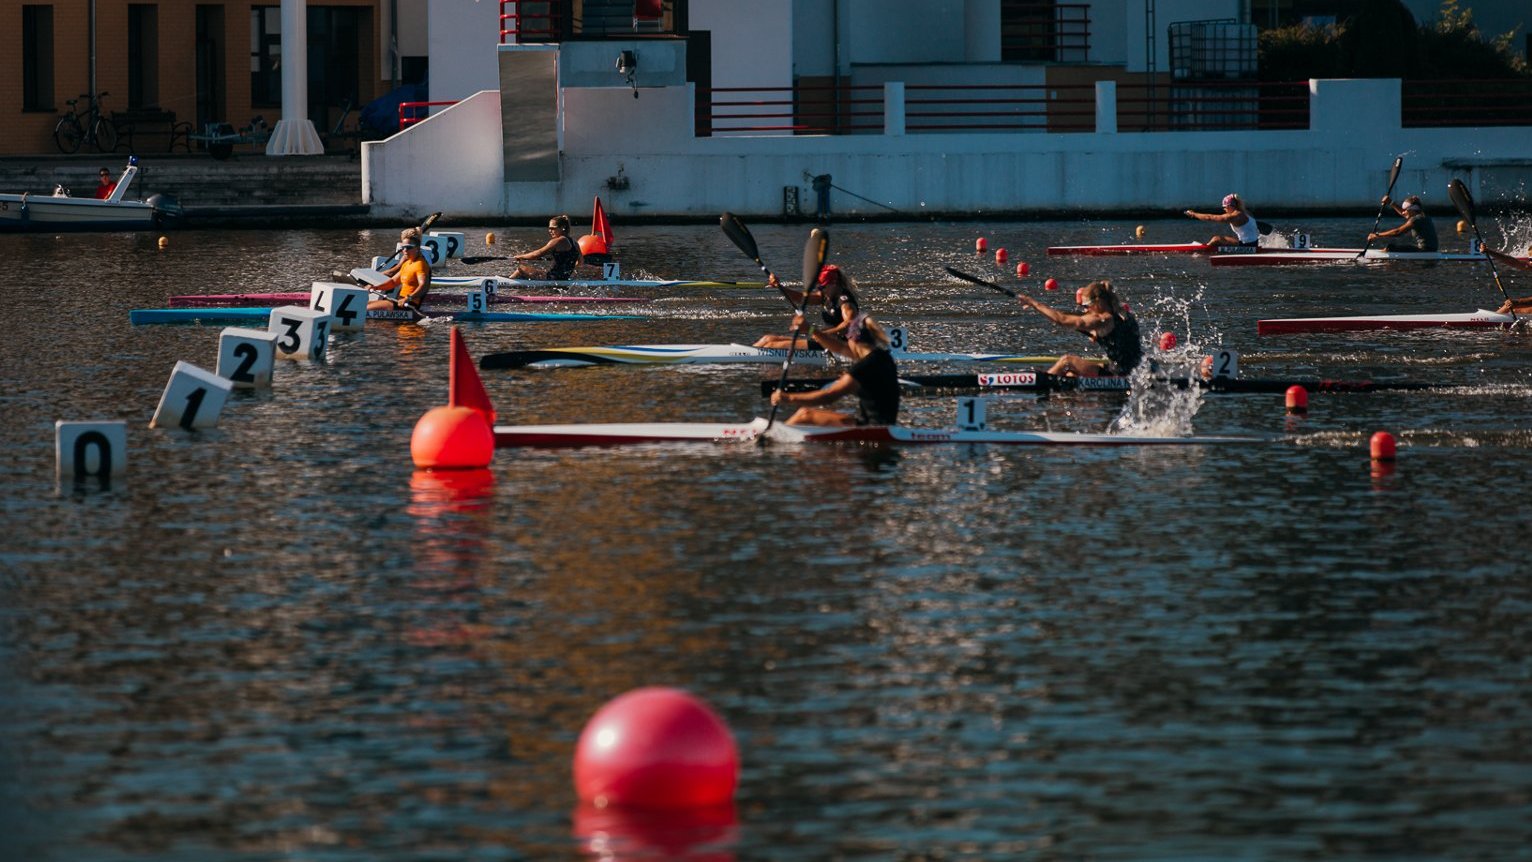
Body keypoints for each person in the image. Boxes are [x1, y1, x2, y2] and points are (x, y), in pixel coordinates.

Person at [769, 313, 900, 426]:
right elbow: (839, 348)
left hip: (873, 428)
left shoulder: (864, 367)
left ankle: (774, 435)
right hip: (880, 423)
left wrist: (788, 398)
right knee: (808, 414)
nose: (847, 344)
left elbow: (828, 396)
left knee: (805, 414)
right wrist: (811, 330)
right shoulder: (883, 356)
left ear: (853, 339)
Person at [1016, 279, 1143, 377]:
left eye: (1086, 306)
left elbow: (1062, 320)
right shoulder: (1122, 314)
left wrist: (1033, 303)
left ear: (1097, 303)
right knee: (1071, 374)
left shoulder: (1103, 319)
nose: (1085, 310)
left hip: (1122, 374)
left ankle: (1040, 383)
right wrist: (1098, 335)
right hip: (1134, 369)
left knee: (1067, 361)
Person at [755, 264, 861, 355]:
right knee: (767, 339)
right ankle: (745, 353)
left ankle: (750, 356)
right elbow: (799, 297)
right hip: (824, 340)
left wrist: (823, 334)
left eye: (822, 287)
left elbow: (849, 324)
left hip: (839, 346)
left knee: (771, 345)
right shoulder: (826, 295)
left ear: (834, 284)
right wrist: (779, 286)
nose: (819, 290)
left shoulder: (845, 302)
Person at [367, 227, 432, 311]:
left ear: (417, 248)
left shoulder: (421, 265)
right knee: (364, 304)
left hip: (408, 305)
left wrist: (409, 298)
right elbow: (393, 282)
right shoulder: (407, 263)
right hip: (399, 302)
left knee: (365, 309)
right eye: (403, 247)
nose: (404, 250)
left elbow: (423, 287)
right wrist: (375, 287)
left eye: (408, 247)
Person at [512, 215, 582, 280]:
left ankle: (507, 282)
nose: (550, 231)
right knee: (536, 271)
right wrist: (568, 270)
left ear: (563, 227)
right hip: (564, 278)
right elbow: (581, 262)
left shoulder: (558, 241)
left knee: (521, 269)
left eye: (553, 228)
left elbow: (537, 254)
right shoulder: (575, 243)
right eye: (549, 228)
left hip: (552, 278)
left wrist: (520, 256)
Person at [1184, 193, 1259, 248]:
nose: (1224, 209)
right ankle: (1210, 247)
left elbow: (1210, 217)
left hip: (1247, 246)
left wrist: (1193, 214)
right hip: (1253, 243)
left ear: (1230, 206)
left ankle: (1203, 250)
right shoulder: (1246, 212)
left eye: (1225, 207)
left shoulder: (1235, 216)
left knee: (1216, 239)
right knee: (1222, 239)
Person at [1368, 194, 1439, 252]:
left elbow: (1397, 232)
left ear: (1412, 209)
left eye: (1405, 210)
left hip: (1425, 251)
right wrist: (1390, 202)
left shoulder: (1416, 219)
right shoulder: (1422, 215)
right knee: (1392, 247)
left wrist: (1377, 235)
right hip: (1430, 250)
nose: (1403, 212)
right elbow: (1404, 213)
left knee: (1390, 248)